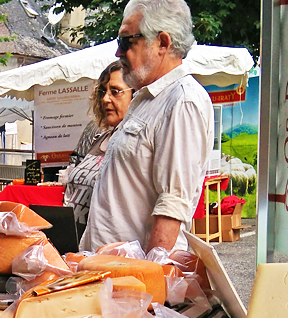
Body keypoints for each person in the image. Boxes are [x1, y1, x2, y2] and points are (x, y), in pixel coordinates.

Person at [79, 0, 213, 253]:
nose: (119, 53)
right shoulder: (147, 99)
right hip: (111, 271)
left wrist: (148, 281)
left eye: (126, 41)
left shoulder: (183, 100)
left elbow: (172, 206)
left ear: (162, 43)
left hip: (132, 279)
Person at [64, 60, 135, 232]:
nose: (105, 99)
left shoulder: (136, 145)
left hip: (107, 247)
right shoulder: (97, 138)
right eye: (103, 91)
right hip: (75, 243)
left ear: (136, 96)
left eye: (115, 92)